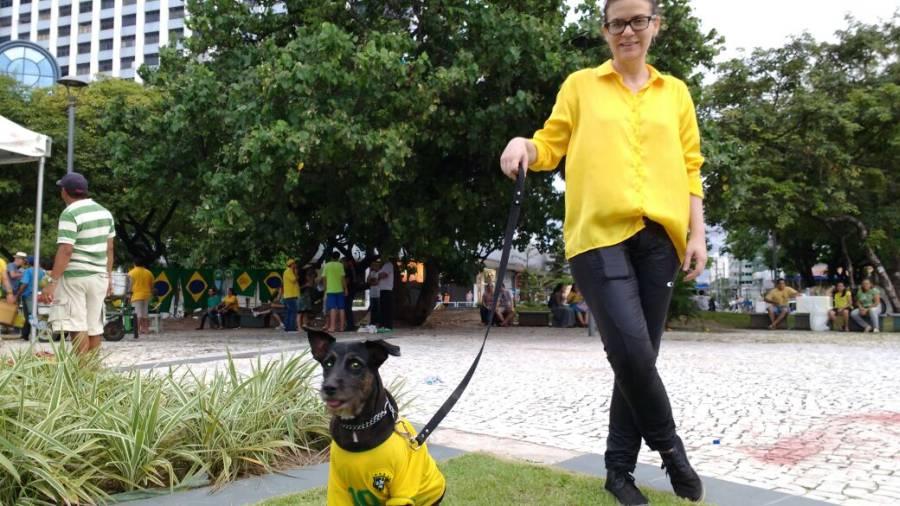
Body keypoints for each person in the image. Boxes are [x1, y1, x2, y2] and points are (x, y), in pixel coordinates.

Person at [499, 1, 707, 502]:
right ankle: (670, 447)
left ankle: (618, 473)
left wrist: (696, 234)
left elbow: (691, 167)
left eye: (639, 20)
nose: (628, 31)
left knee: (638, 359)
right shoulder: (580, 86)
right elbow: (550, 145)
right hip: (597, 237)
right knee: (632, 350)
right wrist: (523, 146)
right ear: (605, 31)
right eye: (618, 23)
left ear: (656, 26)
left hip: (661, 240)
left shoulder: (675, 93)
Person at [40, 172, 115, 356]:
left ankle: (81, 373)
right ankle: (92, 372)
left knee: (76, 324)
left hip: (75, 276)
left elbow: (66, 249)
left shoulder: (70, 213)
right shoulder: (104, 213)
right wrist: (109, 277)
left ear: (64, 192)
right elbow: (110, 248)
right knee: (94, 325)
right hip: (99, 276)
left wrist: (52, 281)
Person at [16, 256, 45, 340]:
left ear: (29, 263)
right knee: (34, 314)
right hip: (38, 295)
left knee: (29, 315)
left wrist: (17, 294)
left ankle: (33, 334)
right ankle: (25, 334)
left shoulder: (28, 271)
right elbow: (43, 284)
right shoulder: (42, 272)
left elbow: (24, 284)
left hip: (28, 295)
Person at [319, 251, 347, 333]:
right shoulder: (340, 265)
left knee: (332, 308)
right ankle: (341, 327)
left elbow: (324, 278)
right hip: (340, 290)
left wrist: (325, 288)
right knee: (341, 308)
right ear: (338, 258)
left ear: (331, 257)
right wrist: (346, 289)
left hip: (330, 290)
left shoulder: (327, 265)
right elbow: (343, 278)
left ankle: (332, 327)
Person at [127, 258, 154, 335]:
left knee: (137, 314)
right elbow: (152, 285)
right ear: (143, 264)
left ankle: (137, 330)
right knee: (145, 313)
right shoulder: (149, 273)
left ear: (134, 264)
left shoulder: (131, 273)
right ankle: (146, 330)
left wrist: (128, 296)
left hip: (136, 296)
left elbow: (128, 286)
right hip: (147, 295)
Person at [375, 256, 395, 333]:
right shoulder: (383, 266)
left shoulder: (389, 265)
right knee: (382, 309)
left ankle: (388, 326)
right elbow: (378, 276)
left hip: (387, 290)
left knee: (387, 309)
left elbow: (383, 275)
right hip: (382, 289)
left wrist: (378, 275)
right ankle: (382, 326)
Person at [281, 259, 300, 332]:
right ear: (292, 264)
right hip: (291, 295)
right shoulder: (289, 271)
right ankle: (291, 328)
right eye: (294, 264)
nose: (295, 265)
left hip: (290, 295)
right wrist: (296, 273)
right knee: (293, 311)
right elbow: (294, 280)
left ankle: (288, 328)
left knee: (289, 312)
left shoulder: (288, 271)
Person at [342, 257, 359, 331]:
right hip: (351, 291)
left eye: (342, 262)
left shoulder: (347, 270)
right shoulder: (352, 270)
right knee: (348, 308)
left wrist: (343, 288)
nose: (342, 264)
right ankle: (350, 324)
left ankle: (350, 325)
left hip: (348, 291)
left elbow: (347, 281)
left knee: (347, 308)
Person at [367, 259, 382, 328]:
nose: (373, 267)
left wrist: (372, 281)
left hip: (378, 293)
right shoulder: (372, 272)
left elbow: (377, 282)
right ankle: (372, 322)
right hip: (372, 293)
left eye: (375, 265)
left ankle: (378, 322)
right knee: (372, 308)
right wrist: (370, 272)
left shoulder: (380, 273)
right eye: (372, 265)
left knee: (378, 308)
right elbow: (368, 281)